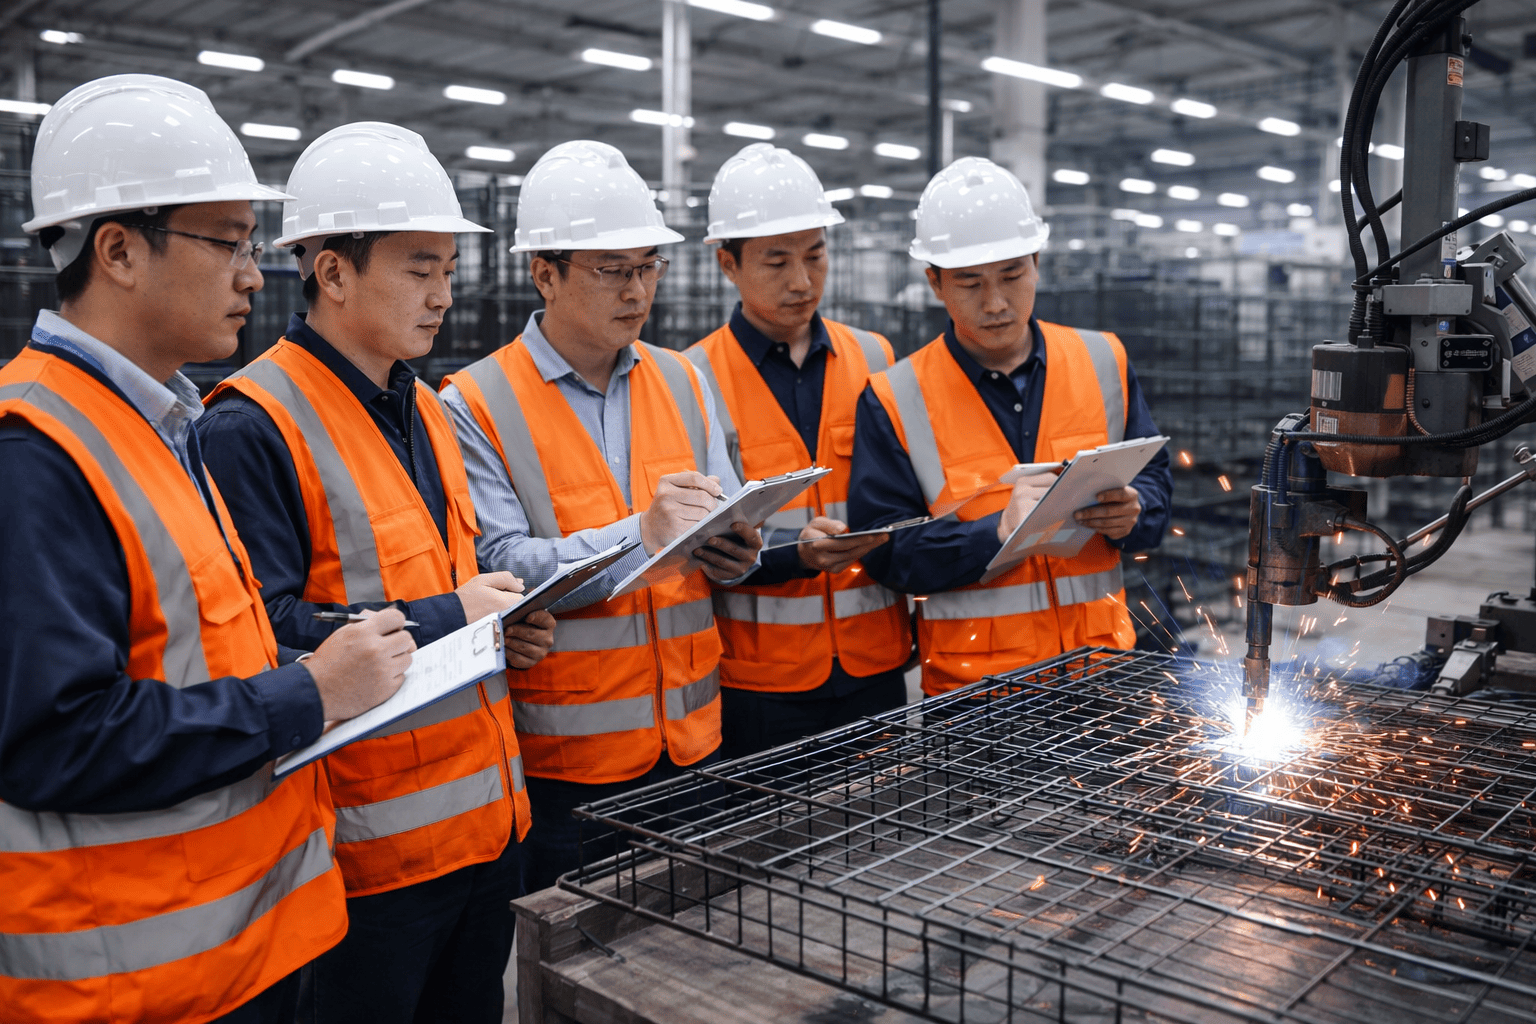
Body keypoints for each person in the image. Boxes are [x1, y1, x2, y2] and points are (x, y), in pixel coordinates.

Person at [0, 76, 415, 1024]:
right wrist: (308, 695)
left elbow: (199, 657)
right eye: (227, 242)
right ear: (118, 251)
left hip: (228, 952)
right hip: (128, 982)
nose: (254, 274)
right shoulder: (34, 453)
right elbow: (54, 740)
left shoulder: (158, 424)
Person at [195, 123, 552, 1024]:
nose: (443, 294)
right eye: (418, 268)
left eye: (447, 269)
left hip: (484, 833)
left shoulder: (428, 409)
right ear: (332, 271)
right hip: (363, 860)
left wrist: (500, 624)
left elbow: (449, 577)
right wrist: (447, 616)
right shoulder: (250, 424)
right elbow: (262, 632)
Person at [439, 140, 762, 893]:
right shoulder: (475, 402)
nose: (637, 291)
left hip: (693, 744)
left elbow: (722, 514)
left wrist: (735, 550)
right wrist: (640, 535)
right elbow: (504, 568)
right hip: (566, 767)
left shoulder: (685, 380)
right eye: (613, 271)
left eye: (649, 267)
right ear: (543, 273)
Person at [848, 157, 1171, 695]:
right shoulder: (895, 397)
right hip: (978, 698)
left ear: (1037, 262)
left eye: (1013, 276)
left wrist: (1136, 511)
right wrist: (994, 533)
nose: (996, 303)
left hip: (1104, 675)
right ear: (935, 283)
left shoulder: (1103, 359)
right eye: (970, 283)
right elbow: (884, 552)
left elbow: (1156, 483)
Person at [684, 143, 913, 759]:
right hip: (761, 682)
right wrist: (797, 555)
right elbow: (700, 540)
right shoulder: (690, 379)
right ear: (727, 263)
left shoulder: (875, 359)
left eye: (816, 256)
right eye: (777, 262)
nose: (802, 282)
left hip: (875, 665)